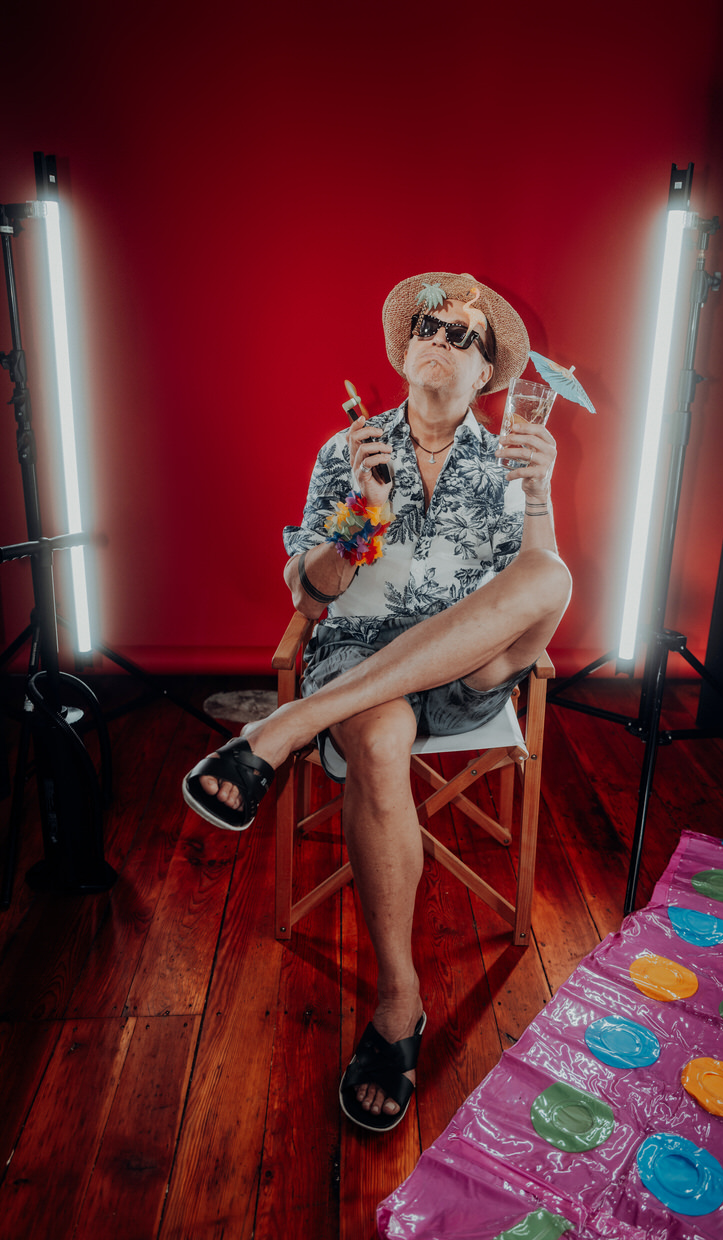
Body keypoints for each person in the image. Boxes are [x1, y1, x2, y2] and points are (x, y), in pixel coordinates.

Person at [183, 270, 572, 1132]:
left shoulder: (509, 456)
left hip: (470, 673)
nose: (443, 339)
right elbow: (311, 597)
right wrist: (366, 510)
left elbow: (534, 584)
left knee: (554, 572)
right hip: (361, 662)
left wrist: (539, 494)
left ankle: (286, 726)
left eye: (465, 337)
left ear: (486, 374)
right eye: (430, 326)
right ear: (404, 351)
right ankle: (400, 1005)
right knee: (380, 737)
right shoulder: (349, 450)